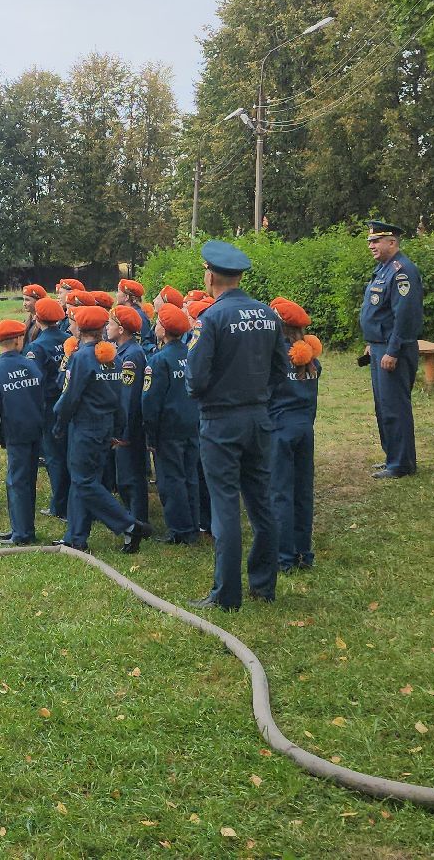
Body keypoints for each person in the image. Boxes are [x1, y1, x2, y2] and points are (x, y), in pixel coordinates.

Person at [184, 241, 289, 611]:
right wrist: (257, 396)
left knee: (225, 506)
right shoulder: (268, 314)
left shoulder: (210, 319)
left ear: (210, 277)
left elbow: (195, 378)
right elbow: (281, 369)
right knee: (261, 502)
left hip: (220, 422)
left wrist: (210, 395)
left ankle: (226, 595)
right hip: (259, 419)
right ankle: (263, 585)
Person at [52, 305, 156, 553]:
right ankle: (76, 537)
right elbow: (120, 399)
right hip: (106, 427)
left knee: (84, 481)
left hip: (85, 428)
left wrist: (59, 423)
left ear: (81, 329)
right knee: (85, 481)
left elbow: (70, 397)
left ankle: (130, 525)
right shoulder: (114, 358)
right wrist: (118, 429)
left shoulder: (81, 358)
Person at [360, 219, 424, 478]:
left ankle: (401, 464)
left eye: (376, 241)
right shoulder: (383, 269)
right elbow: (381, 312)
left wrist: (392, 350)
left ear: (392, 242)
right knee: (383, 407)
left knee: (395, 407)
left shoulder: (402, 271)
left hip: (393, 349)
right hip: (379, 347)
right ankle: (392, 457)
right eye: (370, 241)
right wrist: (372, 343)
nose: (371, 245)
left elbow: (405, 316)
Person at [268, 298, 323, 572]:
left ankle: (284, 557)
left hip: (279, 430)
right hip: (304, 429)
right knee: (302, 492)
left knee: (280, 492)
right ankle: (303, 552)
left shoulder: (273, 358)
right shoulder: (311, 361)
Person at [142, 302, 203, 544]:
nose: (155, 326)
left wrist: (150, 434)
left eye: (158, 323)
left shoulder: (159, 361)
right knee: (190, 475)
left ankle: (180, 530)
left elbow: (150, 401)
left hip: (168, 429)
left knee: (171, 479)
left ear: (164, 330)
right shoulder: (190, 354)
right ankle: (193, 524)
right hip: (191, 424)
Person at [0, 318, 44, 545]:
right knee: (28, 480)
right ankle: (24, 527)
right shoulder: (31, 365)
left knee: (17, 482)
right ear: (19, 340)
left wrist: (2, 436)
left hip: (14, 433)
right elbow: (40, 400)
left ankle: (22, 533)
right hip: (34, 430)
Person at [25, 298, 71, 521]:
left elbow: (34, 381)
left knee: (53, 455)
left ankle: (59, 505)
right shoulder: (68, 339)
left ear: (37, 318)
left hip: (48, 404)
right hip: (67, 401)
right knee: (67, 451)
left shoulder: (37, 346)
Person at [108, 304, 151, 525]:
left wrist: (122, 432)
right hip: (127, 425)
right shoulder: (124, 351)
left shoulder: (130, 356)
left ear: (121, 329)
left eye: (110, 324)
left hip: (130, 428)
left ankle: (138, 521)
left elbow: (128, 397)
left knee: (130, 476)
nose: (107, 328)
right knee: (125, 475)